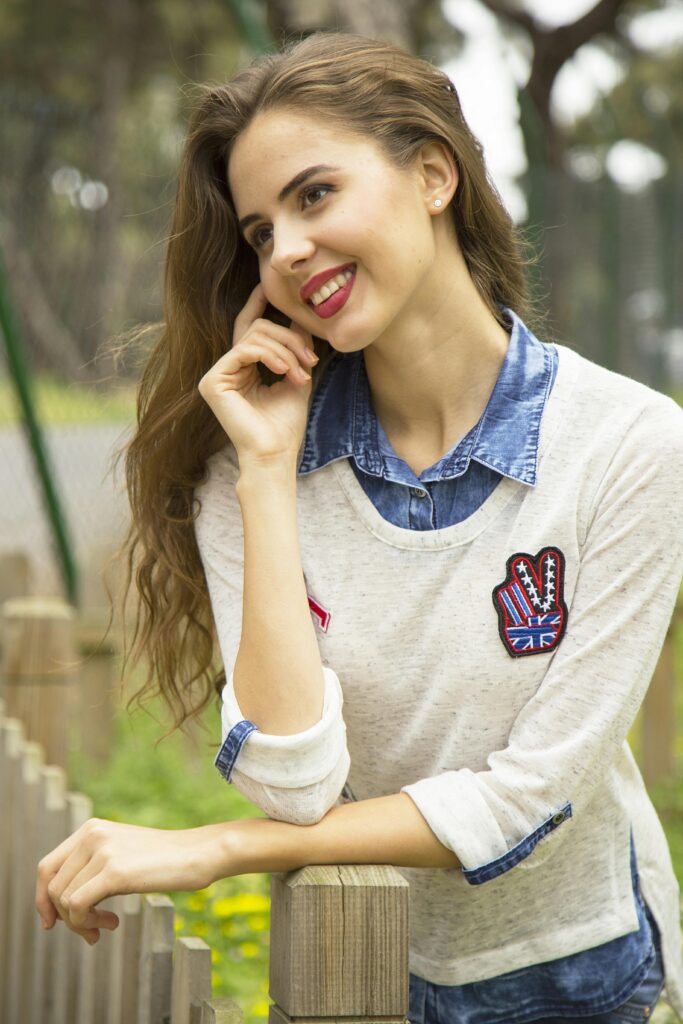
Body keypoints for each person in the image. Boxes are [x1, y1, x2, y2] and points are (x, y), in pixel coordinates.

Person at [35, 31, 683, 1024]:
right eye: (257, 232)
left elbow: (531, 791)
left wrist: (218, 845)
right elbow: (293, 787)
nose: (286, 250)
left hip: (573, 970)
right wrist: (261, 473)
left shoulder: (630, 445)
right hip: (347, 965)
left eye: (313, 195)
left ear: (432, 174)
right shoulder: (246, 465)